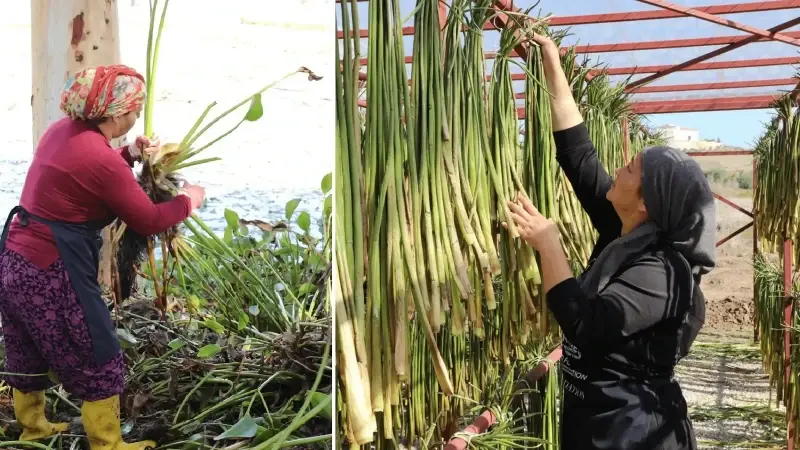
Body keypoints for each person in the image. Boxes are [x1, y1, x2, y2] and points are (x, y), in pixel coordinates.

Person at [504, 34, 715, 450]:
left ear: (647, 203)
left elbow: (585, 325)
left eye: (631, 169)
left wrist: (549, 244)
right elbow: (577, 155)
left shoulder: (663, 272)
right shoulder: (623, 228)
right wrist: (551, 62)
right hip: (593, 417)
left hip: (634, 431)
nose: (618, 169)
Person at [0, 65, 205, 449]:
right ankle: (107, 444)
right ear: (116, 113)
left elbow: (85, 170)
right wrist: (188, 201)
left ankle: (33, 430)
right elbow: (147, 219)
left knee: (24, 346)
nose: (137, 113)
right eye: (135, 108)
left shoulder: (61, 131)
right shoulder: (101, 159)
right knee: (97, 350)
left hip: (14, 261)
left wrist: (130, 152)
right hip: (52, 271)